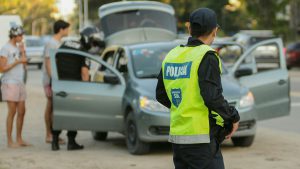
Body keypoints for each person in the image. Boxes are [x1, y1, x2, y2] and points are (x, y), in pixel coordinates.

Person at [156, 8, 240, 169]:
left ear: (189, 29)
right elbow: (212, 97)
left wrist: (183, 108)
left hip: (179, 139)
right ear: (215, 31)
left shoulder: (172, 55)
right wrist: (233, 117)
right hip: (202, 142)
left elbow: (161, 94)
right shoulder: (207, 56)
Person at [51, 26, 105, 151]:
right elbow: (85, 74)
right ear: (88, 39)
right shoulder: (83, 52)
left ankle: (54, 142)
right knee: (72, 115)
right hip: (73, 87)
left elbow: (55, 61)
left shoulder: (65, 44)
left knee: (58, 114)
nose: (94, 46)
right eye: (93, 43)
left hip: (58, 85)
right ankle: (71, 142)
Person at [0, 25, 30, 148]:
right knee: (12, 112)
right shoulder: (5, 49)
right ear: (14, 35)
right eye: (20, 35)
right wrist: (17, 61)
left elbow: (24, 64)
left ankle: (19, 139)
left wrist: (23, 52)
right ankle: (9, 141)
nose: (22, 38)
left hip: (19, 82)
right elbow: (2, 68)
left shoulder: (18, 47)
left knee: (22, 111)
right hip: (10, 82)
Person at [42, 20, 69, 146]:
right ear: (61, 29)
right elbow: (48, 62)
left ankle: (53, 134)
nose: (68, 31)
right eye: (67, 29)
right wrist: (53, 80)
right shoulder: (51, 43)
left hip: (55, 79)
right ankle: (49, 134)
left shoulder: (58, 43)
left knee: (53, 107)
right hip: (50, 80)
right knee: (50, 106)